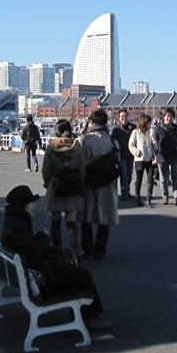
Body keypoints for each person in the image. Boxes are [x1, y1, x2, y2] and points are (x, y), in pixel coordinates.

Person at [1, 184, 110, 330]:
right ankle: (90, 317)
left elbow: (29, 250)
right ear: (23, 206)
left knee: (73, 268)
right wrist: (43, 236)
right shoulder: (17, 227)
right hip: (40, 278)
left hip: (31, 273)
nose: (33, 207)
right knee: (83, 276)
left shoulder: (14, 222)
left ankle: (85, 315)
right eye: (31, 204)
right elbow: (35, 252)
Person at [41, 119, 85, 258]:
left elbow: (45, 170)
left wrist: (48, 183)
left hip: (56, 186)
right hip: (73, 187)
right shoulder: (77, 147)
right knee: (71, 221)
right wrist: (81, 186)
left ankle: (58, 251)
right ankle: (76, 251)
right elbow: (82, 169)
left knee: (56, 220)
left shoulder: (51, 147)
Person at [79, 109, 119, 260]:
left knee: (86, 217)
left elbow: (82, 162)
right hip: (107, 182)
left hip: (90, 182)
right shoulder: (111, 140)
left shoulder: (86, 139)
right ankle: (100, 250)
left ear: (92, 122)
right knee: (104, 217)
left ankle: (87, 249)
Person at [153, 107, 177, 205]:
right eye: (167, 116)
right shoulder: (158, 128)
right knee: (164, 178)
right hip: (162, 155)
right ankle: (165, 196)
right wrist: (156, 153)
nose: (169, 118)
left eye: (171, 116)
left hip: (175, 155)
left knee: (175, 175)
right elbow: (154, 141)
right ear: (164, 117)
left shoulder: (176, 128)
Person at [128, 113, 157, 207]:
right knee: (139, 179)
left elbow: (155, 147)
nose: (150, 124)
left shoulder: (150, 132)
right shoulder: (136, 132)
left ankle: (148, 200)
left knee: (150, 179)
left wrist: (153, 138)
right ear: (144, 122)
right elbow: (131, 145)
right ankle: (138, 197)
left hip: (150, 159)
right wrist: (137, 152)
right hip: (139, 159)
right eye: (148, 122)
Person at [110, 108, 135, 200]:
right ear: (119, 118)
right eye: (121, 116)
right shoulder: (116, 129)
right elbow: (112, 142)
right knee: (124, 175)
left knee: (129, 175)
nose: (123, 118)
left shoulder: (133, 128)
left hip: (131, 155)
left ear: (128, 116)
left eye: (125, 116)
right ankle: (125, 193)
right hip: (121, 156)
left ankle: (127, 190)